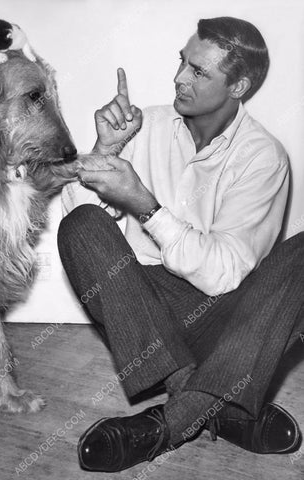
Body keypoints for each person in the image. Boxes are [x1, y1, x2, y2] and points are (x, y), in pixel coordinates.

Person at [57, 16, 304, 473]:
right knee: (80, 226)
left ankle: (172, 421)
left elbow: (223, 275)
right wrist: (106, 149)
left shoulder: (263, 156)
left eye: (198, 71)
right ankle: (220, 404)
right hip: (141, 312)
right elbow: (79, 223)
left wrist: (147, 206)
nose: (178, 78)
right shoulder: (143, 124)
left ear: (239, 86)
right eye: (181, 63)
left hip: (225, 318)